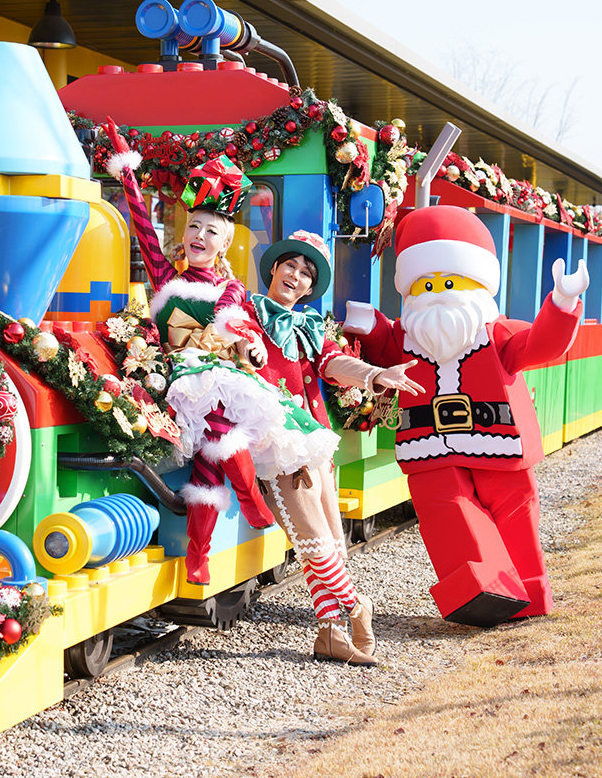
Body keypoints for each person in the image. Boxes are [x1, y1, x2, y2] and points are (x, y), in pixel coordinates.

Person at [102, 120, 337, 586]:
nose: (199, 236)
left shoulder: (232, 287)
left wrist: (247, 343)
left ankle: (209, 545)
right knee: (215, 436)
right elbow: (142, 224)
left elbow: (236, 324)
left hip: (219, 376)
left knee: (212, 452)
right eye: (193, 226)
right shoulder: (165, 276)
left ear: (225, 243)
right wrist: (127, 170)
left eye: (211, 231)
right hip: (176, 376)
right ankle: (241, 509)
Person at [343, 204, 588, 627]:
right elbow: (384, 348)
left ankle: (529, 594)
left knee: (514, 515)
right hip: (429, 447)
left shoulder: (496, 333)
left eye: (450, 282)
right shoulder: (408, 334)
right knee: (446, 514)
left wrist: (563, 304)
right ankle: (481, 592)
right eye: (426, 285)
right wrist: (368, 325)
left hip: (499, 442)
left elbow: (541, 345)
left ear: (478, 284)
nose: (438, 292)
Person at [243, 231, 423, 665]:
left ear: (310, 287)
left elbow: (331, 362)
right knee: (313, 540)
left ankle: (329, 634)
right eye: (290, 265)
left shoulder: (308, 325)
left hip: (316, 441)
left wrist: (375, 375)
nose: (295, 275)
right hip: (277, 442)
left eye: (306, 273)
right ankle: (358, 607)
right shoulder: (247, 312)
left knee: (331, 544)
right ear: (274, 268)